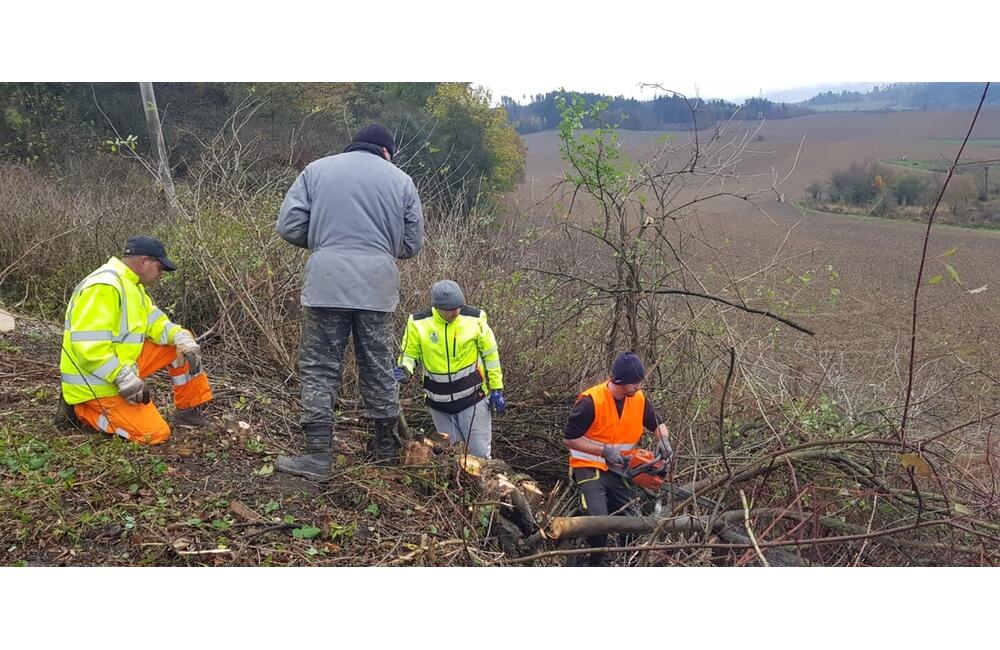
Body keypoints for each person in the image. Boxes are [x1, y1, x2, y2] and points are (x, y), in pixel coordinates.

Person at [275, 124, 424, 478]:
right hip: (377, 286)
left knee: (321, 367)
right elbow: (412, 243)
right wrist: (382, 250)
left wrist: (324, 244)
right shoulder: (401, 180)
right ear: (387, 152)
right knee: (378, 367)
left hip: (326, 282)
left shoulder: (316, 170)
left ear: (353, 145)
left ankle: (316, 456)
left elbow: (288, 226)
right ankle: (385, 454)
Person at [58, 236, 212, 444]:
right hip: (96, 381)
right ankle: (81, 409)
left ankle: (188, 412)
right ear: (144, 261)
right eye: (159, 268)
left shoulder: (132, 285)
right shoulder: (104, 287)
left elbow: (155, 323)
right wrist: (124, 378)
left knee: (181, 342)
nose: (160, 274)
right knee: (155, 434)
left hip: (119, 367)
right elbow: (89, 349)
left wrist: (180, 337)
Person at [563, 351, 673, 565]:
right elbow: (569, 439)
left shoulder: (638, 399)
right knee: (599, 523)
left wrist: (663, 440)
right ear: (620, 381)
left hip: (620, 469)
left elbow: (658, 424)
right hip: (588, 466)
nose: (639, 386)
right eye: (635, 383)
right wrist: (604, 451)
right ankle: (595, 561)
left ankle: (626, 561)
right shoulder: (591, 401)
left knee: (633, 522)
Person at [395, 280, 504, 458]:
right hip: (438, 403)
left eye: (458, 307)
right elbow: (409, 354)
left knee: (479, 456)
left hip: (473, 399)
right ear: (437, 307)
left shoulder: (475, 319)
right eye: (450, 309)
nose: (456, 312)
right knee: (452, 456)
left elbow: (491, 355)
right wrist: (406, 369)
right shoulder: (418, 323)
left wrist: (497, 388)